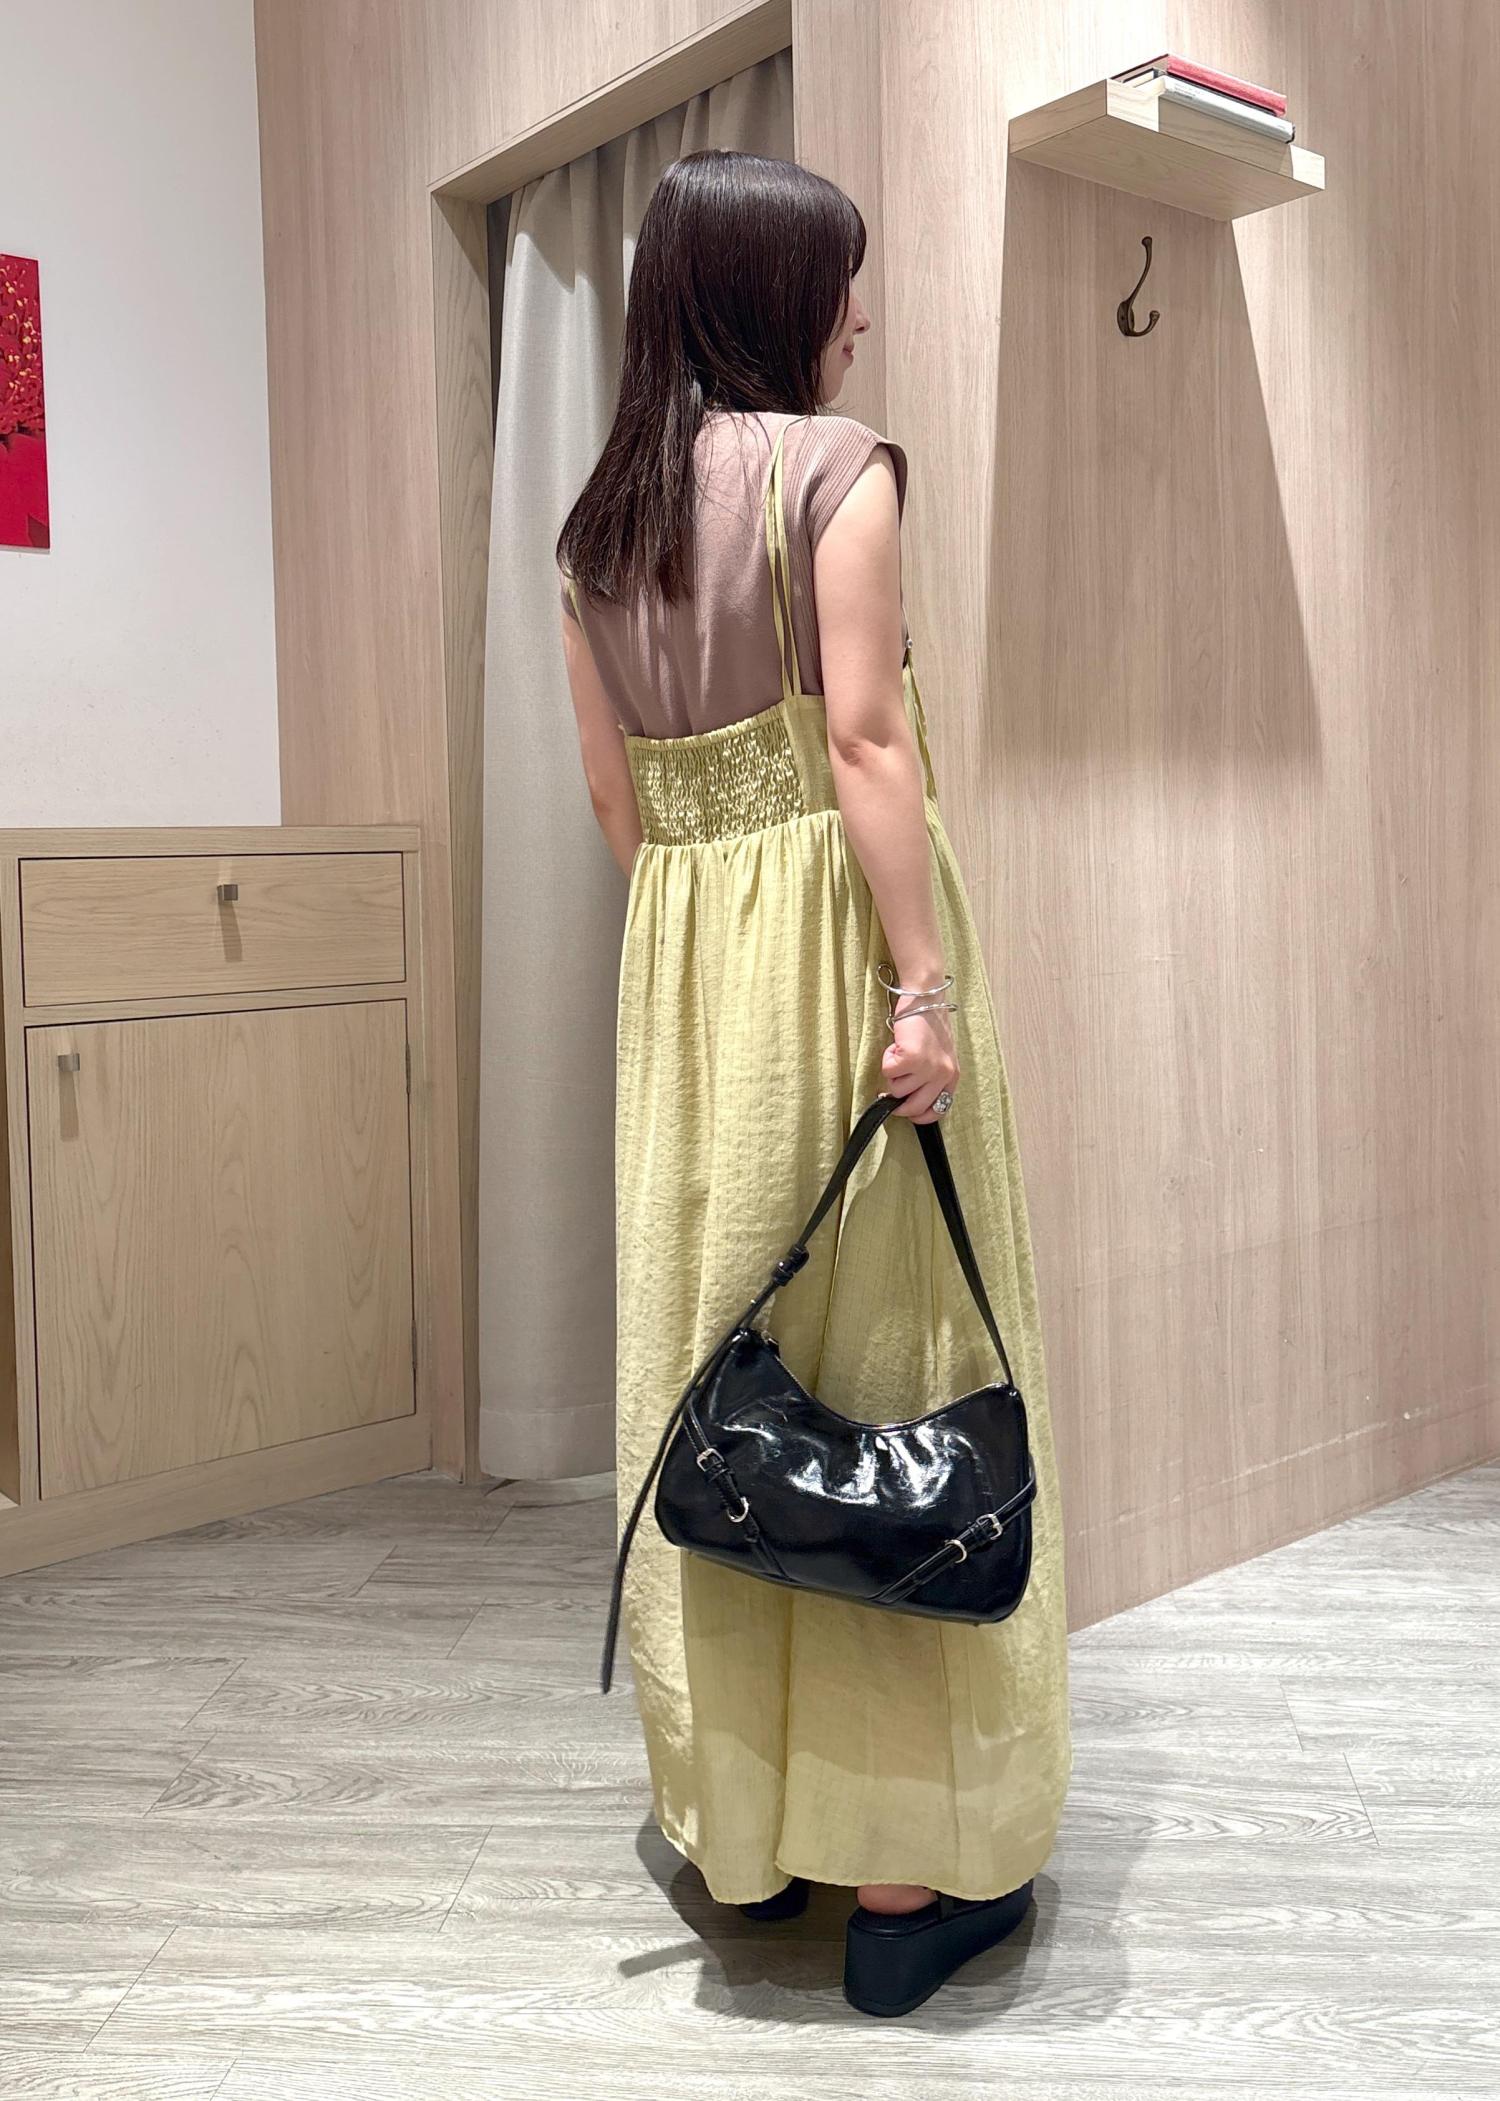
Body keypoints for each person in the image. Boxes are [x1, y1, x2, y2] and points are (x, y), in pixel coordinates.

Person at [555, 147, 1071, 2018]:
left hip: (689, 980)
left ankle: (746, 1835)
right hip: (846, 961)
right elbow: (862, 740)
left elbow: (617, 804)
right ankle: (905, 1878)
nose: (863, 311)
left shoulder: (597, 528)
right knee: (890, 1368)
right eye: (846, 277)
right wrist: (915, 988)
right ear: (776, 293)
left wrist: (711, 963)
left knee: (725, 1374)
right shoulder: (838, 470)